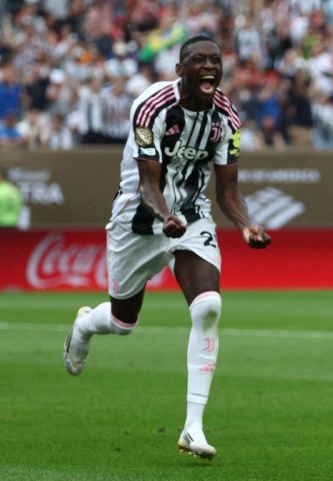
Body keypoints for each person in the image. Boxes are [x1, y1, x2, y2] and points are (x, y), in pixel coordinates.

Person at [62, 36, 271, 461]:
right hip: (138, 219)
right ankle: (85, 326)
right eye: (198, 60)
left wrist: (247, 225)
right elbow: (147, 182)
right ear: (180, 70)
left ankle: (193, 427)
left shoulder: (226, 118)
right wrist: (163, 217)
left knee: (208, 306)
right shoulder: (152, 106)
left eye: (215, 60)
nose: (209, 66)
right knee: (123, 321)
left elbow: (227, 190)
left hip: (191, 216)